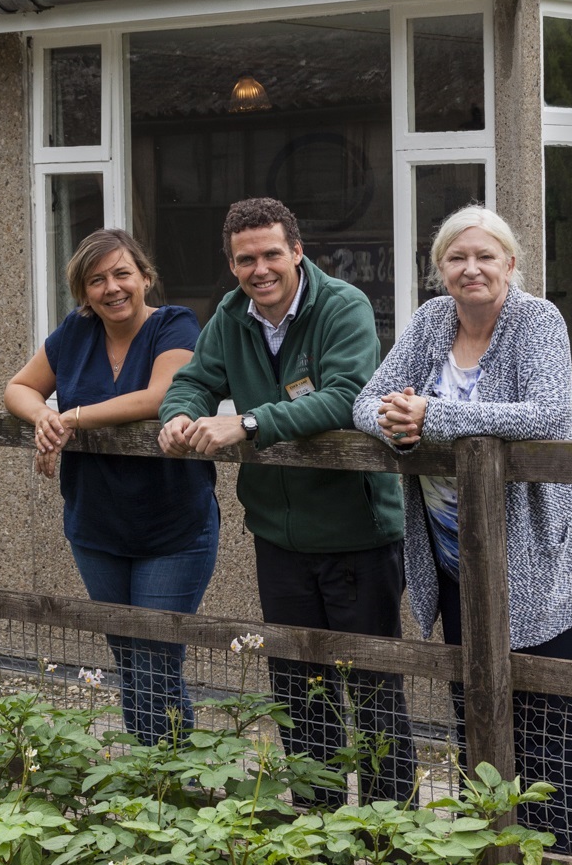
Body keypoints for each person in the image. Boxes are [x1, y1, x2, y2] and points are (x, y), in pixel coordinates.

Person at [353, 205, 572, 865]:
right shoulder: (430, 321)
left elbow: (548, 413)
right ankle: (496, 864)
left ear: (510, 264)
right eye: (455, 257)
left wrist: (434, 415)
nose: (469, 268)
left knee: (555, 726)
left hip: (554, 556)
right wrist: (396, 423)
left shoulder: (539, 321)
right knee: (478, 715)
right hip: (459, 563)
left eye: (484, 256)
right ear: (440, 268)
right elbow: (365, 400)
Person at [157, 197, 415, 808]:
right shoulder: (231, 314)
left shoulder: (342, 306)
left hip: (358, 535)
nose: (260, 269)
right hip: (278, 537)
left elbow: (345, 397)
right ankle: (318, 828)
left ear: (298, 252)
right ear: (232, 264)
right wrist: (177, 417)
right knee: (299, 688)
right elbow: (193, 380)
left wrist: (245, 423)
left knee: (373, 689)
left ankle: (388, 839)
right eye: (245, 259)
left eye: (272, 254)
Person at [5, 228, 218, 746]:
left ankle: (168, 776)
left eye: (123, 273)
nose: (112, 288)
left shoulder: (175, 326)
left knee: (155, 657)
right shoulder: (72, 335)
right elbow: (18, 388)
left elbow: (160, 396)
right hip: (97, 527)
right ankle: (155, 775)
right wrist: (43, 418)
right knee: (127, 654)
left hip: (173, 529)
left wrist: (70, 417)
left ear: (145, 278)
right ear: (83, 292)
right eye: (96, 280)